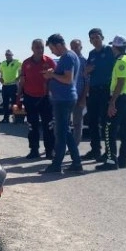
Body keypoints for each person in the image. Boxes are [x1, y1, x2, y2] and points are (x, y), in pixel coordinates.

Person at [42, 34, 83, 173]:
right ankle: (76, 163)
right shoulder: (69, 57)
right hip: (63, 99)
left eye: (52, 48)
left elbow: (67, 79)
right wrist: (53, 73)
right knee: (65, 132)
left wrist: (52, 75)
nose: (52, 52)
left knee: (61, 134)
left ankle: (57, 164)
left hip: (64, 100)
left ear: (58, 45)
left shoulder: (67, 57)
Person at [96, 35, 126, 171]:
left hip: (120, 98)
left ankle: (111, 160)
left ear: (115, 47)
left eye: (113, 47)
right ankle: (123, 159)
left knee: (109, 129)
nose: (112, 50)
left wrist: (112, 102)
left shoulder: (120, 61)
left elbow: (120, 82)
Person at [18, 39, 56, 159]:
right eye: (37, 47)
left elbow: (56, 79)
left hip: (45, 98)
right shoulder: (26, 63)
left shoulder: (50, 62)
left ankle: (50, 150)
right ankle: (34, 150)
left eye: (41, 47)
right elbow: (22, 81)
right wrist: (18, 97)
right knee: (32, 126)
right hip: (30, 98)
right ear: (32, 48)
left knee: (48, 126)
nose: (39, 50)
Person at [82, 28, 116, 162]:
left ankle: (108, 152)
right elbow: (86, 73)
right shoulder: (91, 54)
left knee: (105, 122)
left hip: (106, 90)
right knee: (92, 122)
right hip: (94, 91)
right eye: (92, 38)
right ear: (90, 41)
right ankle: (95, 149)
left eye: (97, 37)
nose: (95, 40)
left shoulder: (109, 51)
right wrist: (87, 71)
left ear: (102, 37)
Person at [70, 39, 88, 146]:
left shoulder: (84, 61)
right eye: (72, 47)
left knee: (77, 123)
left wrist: (83, 97)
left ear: (81, 47)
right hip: (67, 96)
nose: (74, 49)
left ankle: (74, 145)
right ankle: (61, 145)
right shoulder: (68, 59)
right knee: (63, 123)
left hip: (79, 96)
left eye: (76, 47)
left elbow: (87, 82)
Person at [0, 49, 21, 123]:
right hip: (5, 85)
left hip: (13, 85)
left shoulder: (17, 62)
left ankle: (16, 118)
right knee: (5, 103)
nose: (8, 56)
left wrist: (19, 77)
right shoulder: (3, 63)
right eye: (7, 55)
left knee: (14, 102)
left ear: (12, 55)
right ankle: (6, 118)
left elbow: (23, 69)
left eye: (9, 55)